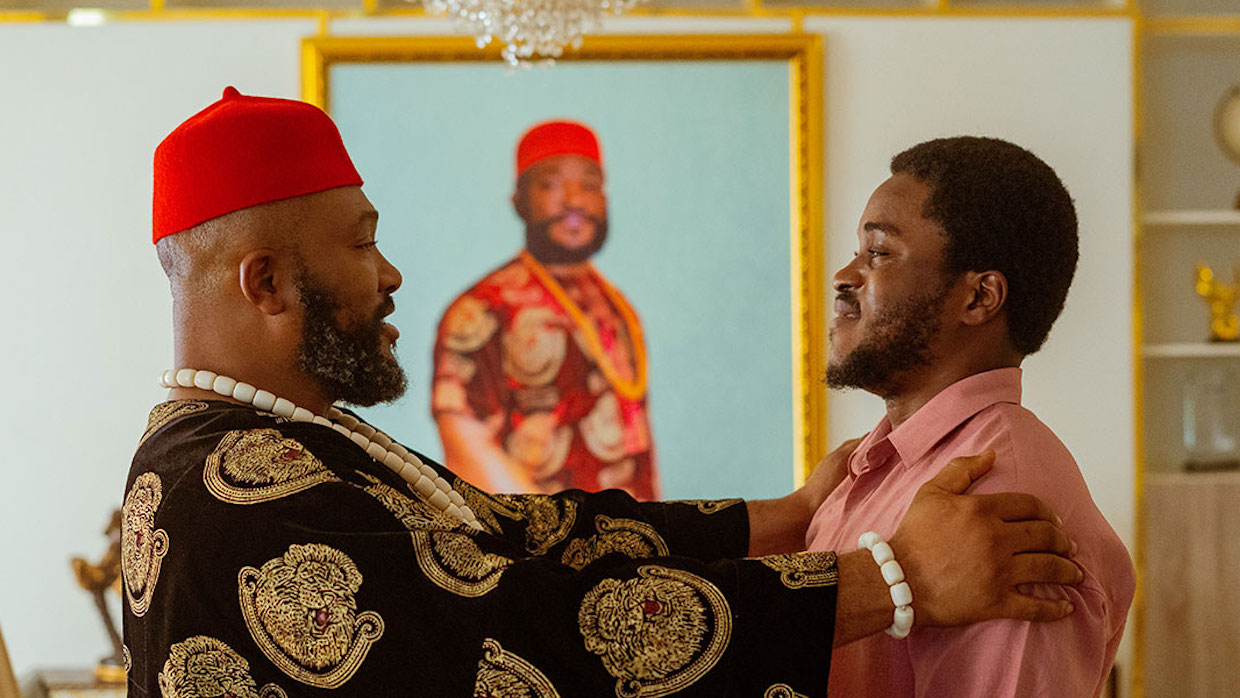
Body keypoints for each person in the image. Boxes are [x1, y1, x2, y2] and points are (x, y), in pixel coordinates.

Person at [124, 89, 1084, 697]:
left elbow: (516, 535)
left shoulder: (282, 442)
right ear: (267, 283)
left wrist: (776, 519)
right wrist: (889, 582)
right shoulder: (228, 485)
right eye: (361, 242)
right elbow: (520, 631)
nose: (391, 275)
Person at [807, 137, 1136, 697]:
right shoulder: (866, 471)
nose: (844, 275)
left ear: (980, 298)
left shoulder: (998, 494)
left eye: (878, 253)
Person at [432, 121, 659, 499]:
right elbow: (464, 438)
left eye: (589, 185)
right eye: (550, 184)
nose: (574, 200)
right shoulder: (484, 307)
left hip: (629, 541)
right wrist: (546, 538)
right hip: (537, 542)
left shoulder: (615, 306)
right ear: (519, 201)